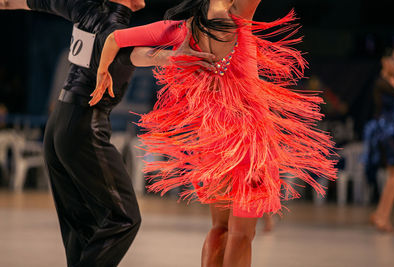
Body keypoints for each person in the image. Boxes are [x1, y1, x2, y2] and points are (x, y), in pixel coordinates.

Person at [91, 0, 337, 266]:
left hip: (212, 145)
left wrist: (103, 72)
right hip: (249, 144)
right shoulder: (238, 17)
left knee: (219, 228)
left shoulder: (180, 28)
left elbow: (115, 38)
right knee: (242, 234)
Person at [0, 0, 215, 266]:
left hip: (57, 126)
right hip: (83, 127)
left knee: (82, 226)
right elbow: (139, 52)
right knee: (125, 219)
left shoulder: (81, 9)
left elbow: (17, 1)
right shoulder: (113, 28)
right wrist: (172, 56)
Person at [366, 48, 394, 233]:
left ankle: (380, 214)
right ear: (385, 61)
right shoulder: (381, 82)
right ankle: (382, 216)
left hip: (393, 132)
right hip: (384, 132)